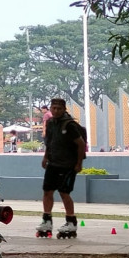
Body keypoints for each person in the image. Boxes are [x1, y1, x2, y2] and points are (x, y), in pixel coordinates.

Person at [38, 98, 86, 237]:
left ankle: (71, 221)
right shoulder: (51, 123)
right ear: (51, 109)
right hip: (53, 163)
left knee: (64, 193)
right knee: (47, 191)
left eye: (59, 108)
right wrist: (45, 157)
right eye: (54, 108)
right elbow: (49, 142)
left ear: (64, 109)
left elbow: (81, 144)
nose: (56, 110)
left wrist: (79, 163)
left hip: (68, 164)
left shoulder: (69, 125)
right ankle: (46, 220)